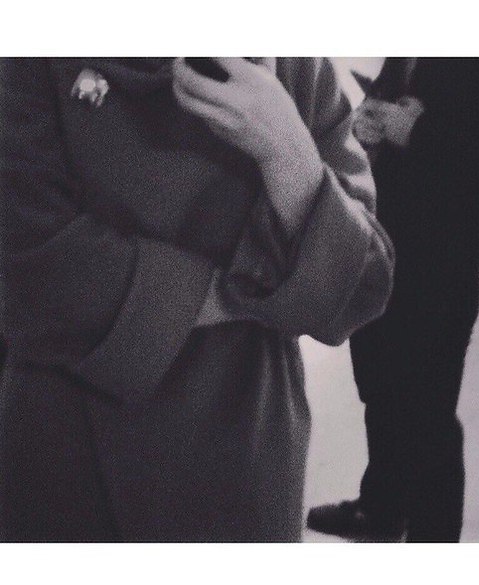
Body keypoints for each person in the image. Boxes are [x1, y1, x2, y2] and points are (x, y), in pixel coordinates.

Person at [0, 57, 394, 542]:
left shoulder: (298, 67)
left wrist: (287, 152)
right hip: (69, 452)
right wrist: (253, 287)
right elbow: (30, 275)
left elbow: (359, 291)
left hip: (241, 453)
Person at [307, 58, 479, 542]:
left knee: (427, 417)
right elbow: (404, 89)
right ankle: (380, 508)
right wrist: (370, 119)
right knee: (379, 387)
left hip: (443, 254)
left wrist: (421, 133)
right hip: (378, 235)